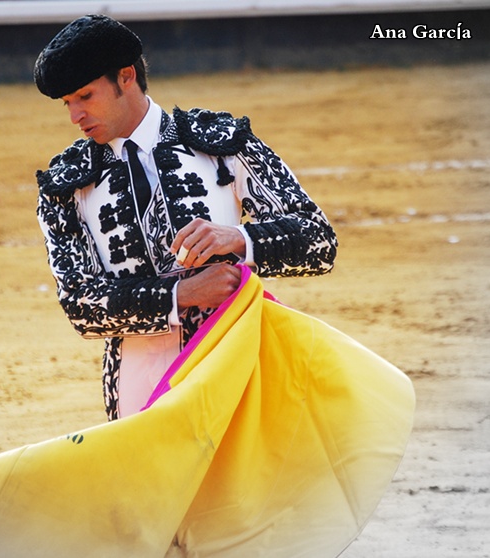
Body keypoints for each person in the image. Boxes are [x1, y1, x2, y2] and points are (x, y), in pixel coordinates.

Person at [34, 14, 337, 421]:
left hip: (233, 363)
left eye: (85, 96)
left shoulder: (220, 142)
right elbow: (80, 306)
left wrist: (238, 239)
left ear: (126, 76)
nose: (75, 116)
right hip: (139, 385)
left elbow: (319, 241)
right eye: (67, 103)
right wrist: (182, 295)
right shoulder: (66, 183)